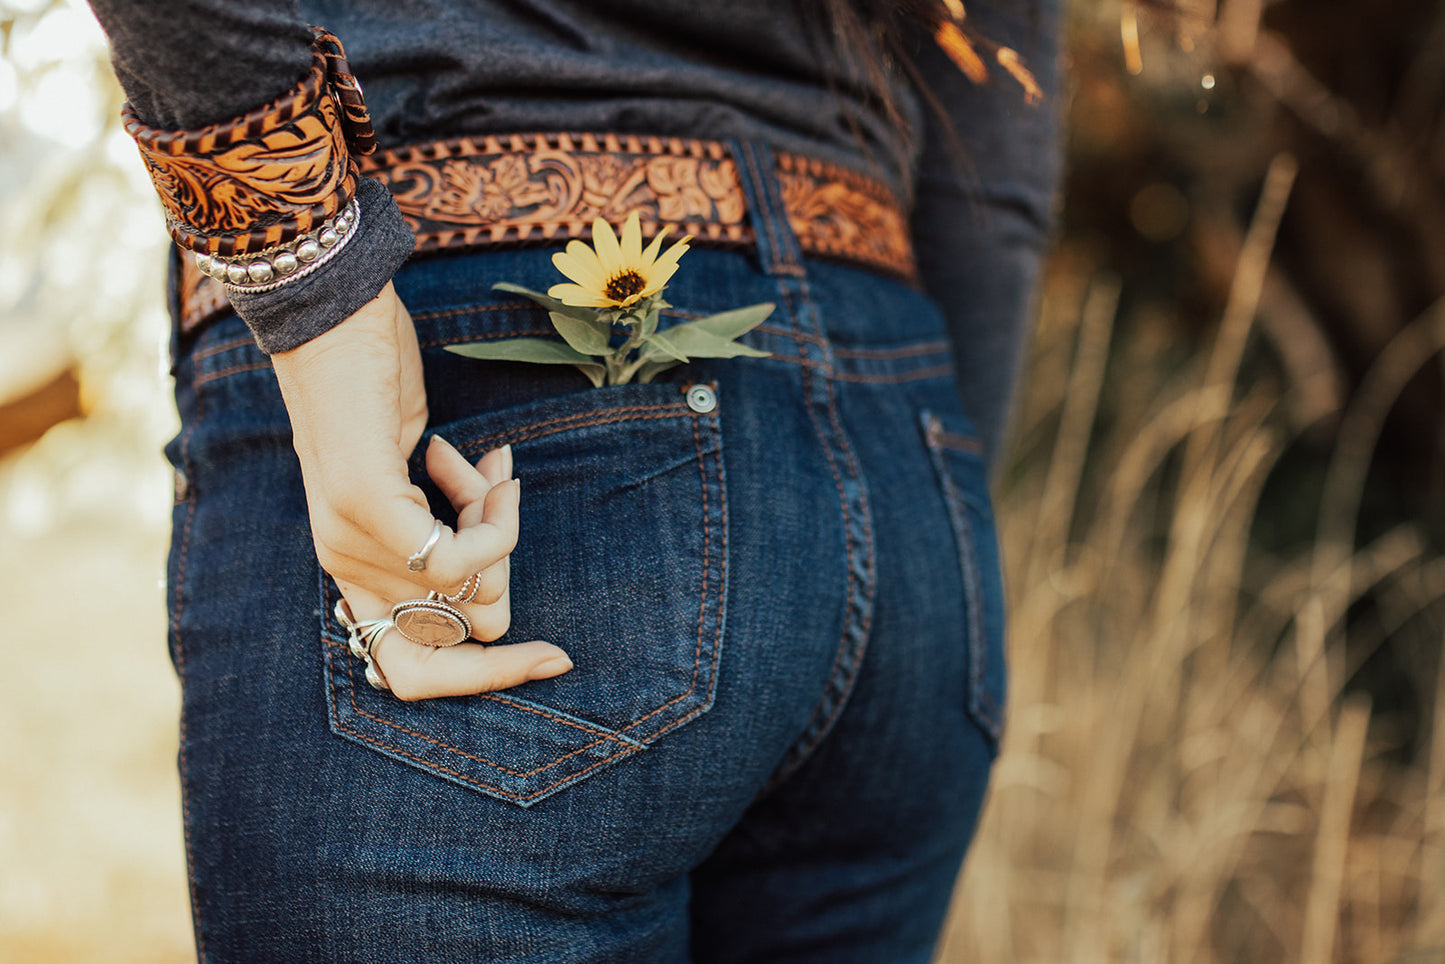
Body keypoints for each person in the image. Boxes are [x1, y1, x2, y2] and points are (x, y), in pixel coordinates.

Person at [87, 1, 1060, 959]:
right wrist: (935, 479)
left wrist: (314, 287)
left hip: (448, 297)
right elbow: (995, 139)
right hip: (900, 445)